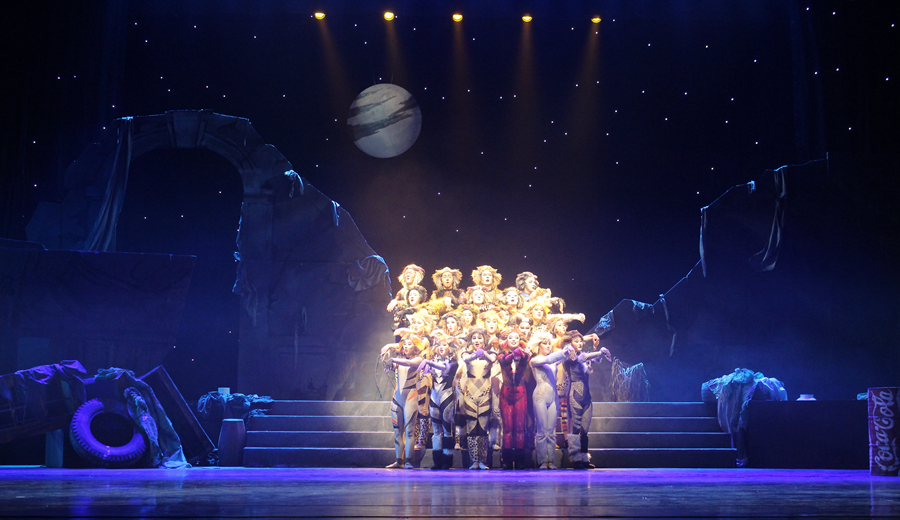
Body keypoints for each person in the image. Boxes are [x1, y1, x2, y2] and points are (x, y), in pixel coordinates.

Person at [562, 331, 610, 469]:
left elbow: (590, 358)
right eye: (576, 341)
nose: (580, 344)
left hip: (586, 397)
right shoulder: (569, 357)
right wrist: (600, 352)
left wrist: (601, 354)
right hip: (575, 395)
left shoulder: (585, 358)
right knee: (575, 428)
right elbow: (583, 357)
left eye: (581, 341)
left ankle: (584, 457)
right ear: (570, 343)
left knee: (584, 430)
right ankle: (575, 458)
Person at [528, 331, 574, 469]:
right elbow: (548, 360)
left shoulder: (553, 360)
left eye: (549, 343)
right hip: (540, 396)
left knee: (551, 430)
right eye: (545, 343)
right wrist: (563, 352)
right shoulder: (535, 360)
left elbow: (562, 358)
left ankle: (551, 461)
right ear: (538, 345)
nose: (548, 346)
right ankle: (543, 460)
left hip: (553, 397)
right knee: (542, 430)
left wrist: (568, 351)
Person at [381, 334, 425, 469]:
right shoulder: (399, 360)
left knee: (409, 431)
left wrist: (393, 359)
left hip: (410, 398)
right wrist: (387, 359)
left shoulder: (419, 359)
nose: (406, 347)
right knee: (397, 432)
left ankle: (408, 461)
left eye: (409, 344)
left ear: (415, 347)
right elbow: (391, 364)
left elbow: (409, 363)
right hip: (397, 398)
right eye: (404, 344)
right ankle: (398, 461)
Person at [459, 328, 497, 469]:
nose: (477, 340)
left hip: (485, 395)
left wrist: (484, 353)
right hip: (470, 395)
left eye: (479, 338)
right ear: (470, 340)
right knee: (472, 429)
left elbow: (492, 360)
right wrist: (475, 354)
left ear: (484, 339)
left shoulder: (491, 353)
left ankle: (483, 461)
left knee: (483, 429)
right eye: (474, 338)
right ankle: (474, 460)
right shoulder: (466, 354)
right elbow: (466, 359)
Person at [421, 336, 459, 469]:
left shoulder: (453, 362)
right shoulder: (433, 361)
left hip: (446, 397)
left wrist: (428, 363)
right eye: (439, 345)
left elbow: (445, 368)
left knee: (447, 429)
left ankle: (447, 460)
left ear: (450, 348)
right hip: (434, 398)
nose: (441, 347)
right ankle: (437, 460)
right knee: (436, 430)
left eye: (444, 345)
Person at [496, 328, 531, 469]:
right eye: (510, 337)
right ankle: (507, 459)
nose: (514, 340)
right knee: (508, 427)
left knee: (520, 427)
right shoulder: (501, 355)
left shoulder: (525, 355)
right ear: (506, 341)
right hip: (506, 393)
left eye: (516, 337)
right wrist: (513, 354)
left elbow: (525, 358)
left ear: (520, 341)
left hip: (520, 393)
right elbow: (504, 361)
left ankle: (520, 460)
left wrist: (519, 353)